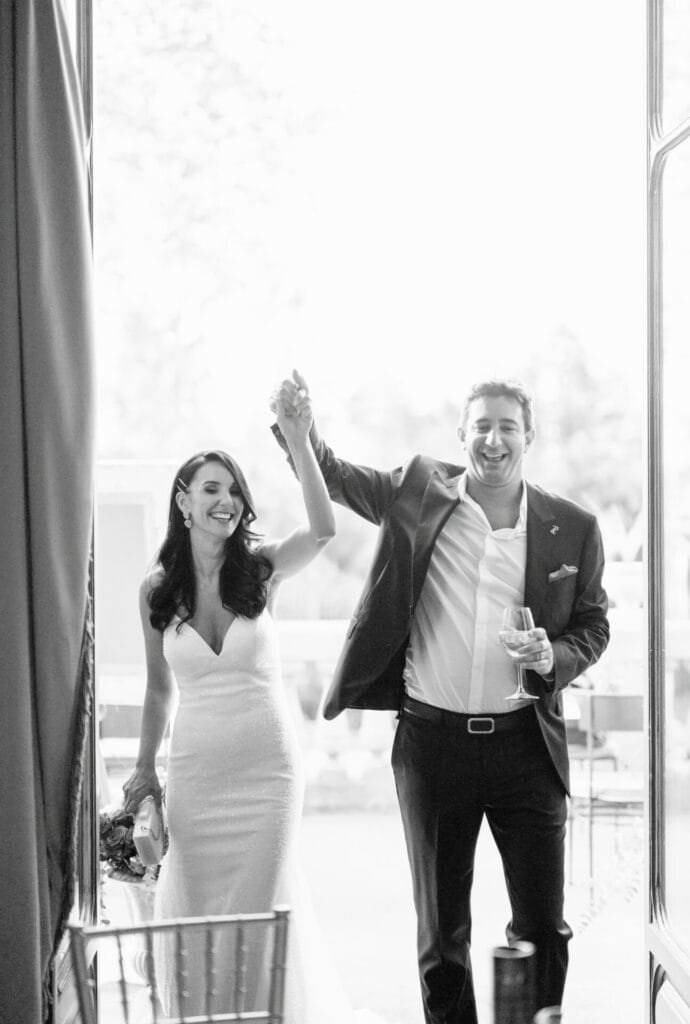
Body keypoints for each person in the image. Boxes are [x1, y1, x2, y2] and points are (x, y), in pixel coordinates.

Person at [272, 373, 609, 1024]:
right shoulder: (419, 493)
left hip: (526, 749)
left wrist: (554, 656)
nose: (493, 437)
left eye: (507, 425)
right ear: (462, 436)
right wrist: (299, 428)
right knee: (441, 937)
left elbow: (593, 626)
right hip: (432, 748)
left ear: (528, 438)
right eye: (480, 424)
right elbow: (335, 476)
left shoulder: (573, 527)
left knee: (542, 926)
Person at [122, 374, 360, 1021]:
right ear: (184, 501)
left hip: (267, 774)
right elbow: (156, 687)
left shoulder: (258, 568)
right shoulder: (155, 591)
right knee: (193, 915)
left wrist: (298, 438)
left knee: (259, 919)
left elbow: (323, 528)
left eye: (233, 491)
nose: (226, 501)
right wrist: (146, 772)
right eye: (211, 489)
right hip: (199, 777)